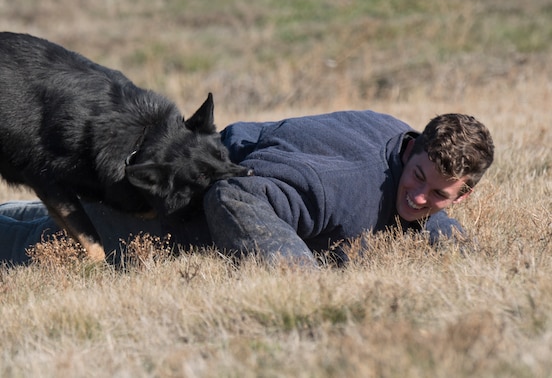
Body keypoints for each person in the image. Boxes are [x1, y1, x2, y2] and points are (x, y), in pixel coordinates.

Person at [0, 109, 494, 266]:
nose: (420, 197)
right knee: (40, 245)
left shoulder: (404, 139)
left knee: (42, 218)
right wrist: (299, 279)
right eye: (418, 179)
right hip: (160, 206)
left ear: (463, 193)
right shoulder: (345, 186)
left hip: (188, 162)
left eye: (439, 194)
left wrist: (450, 241)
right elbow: (236, 196)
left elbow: (417, 209)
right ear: (411, 152)